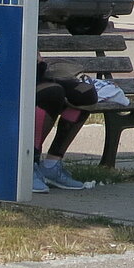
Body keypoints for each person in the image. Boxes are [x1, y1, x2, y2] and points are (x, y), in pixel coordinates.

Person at [33, 60, 99, 193]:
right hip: (13, 78)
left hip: (39, 74)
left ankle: (52, 166)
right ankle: (29, 164)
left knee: (85, 93)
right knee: (53, 93)